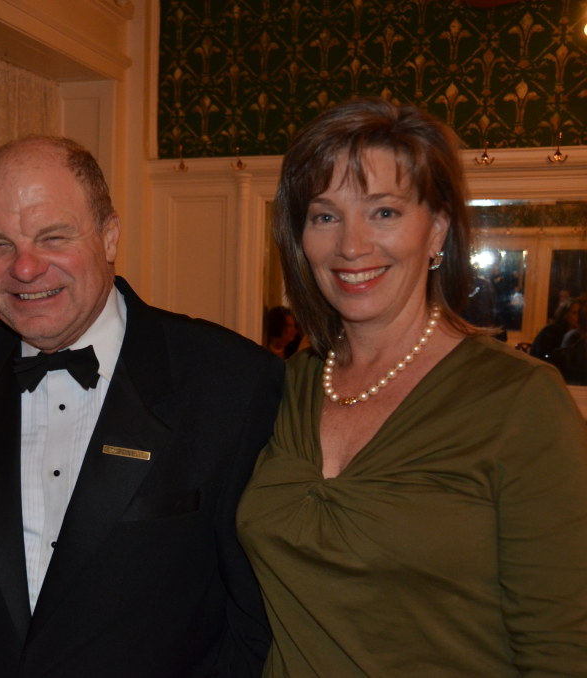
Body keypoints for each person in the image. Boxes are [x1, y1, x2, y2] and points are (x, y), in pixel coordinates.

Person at [0, 136, 283, 677]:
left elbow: (256, 611)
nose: (24, 269)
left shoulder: (231, 382)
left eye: (52, 237)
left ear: (110, 235)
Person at [237, 97, 587, 676]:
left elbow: (564, 648)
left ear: (438, 230)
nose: (351, 245)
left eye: (384, 212)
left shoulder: (519, 399)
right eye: (325, 215)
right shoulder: (287, 385)